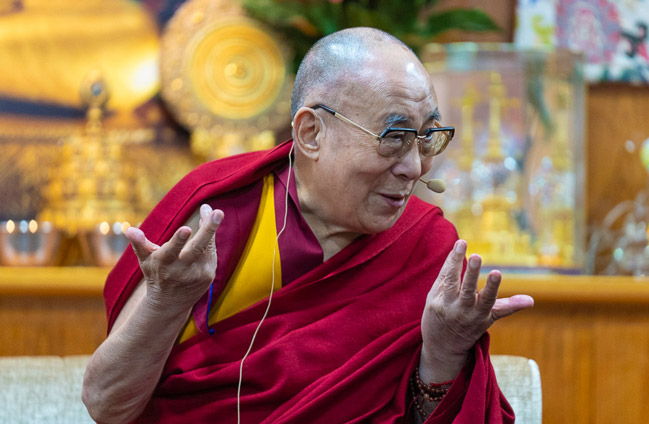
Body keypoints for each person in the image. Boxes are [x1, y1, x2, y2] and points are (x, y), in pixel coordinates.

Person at [82, 27, 534, 423]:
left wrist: (444, 353)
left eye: (427, 137)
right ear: (312, 134)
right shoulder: (216, 212)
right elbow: (108, 406)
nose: (414, 167)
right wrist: (164, 303)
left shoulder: (427, 249)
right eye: (394, 138)